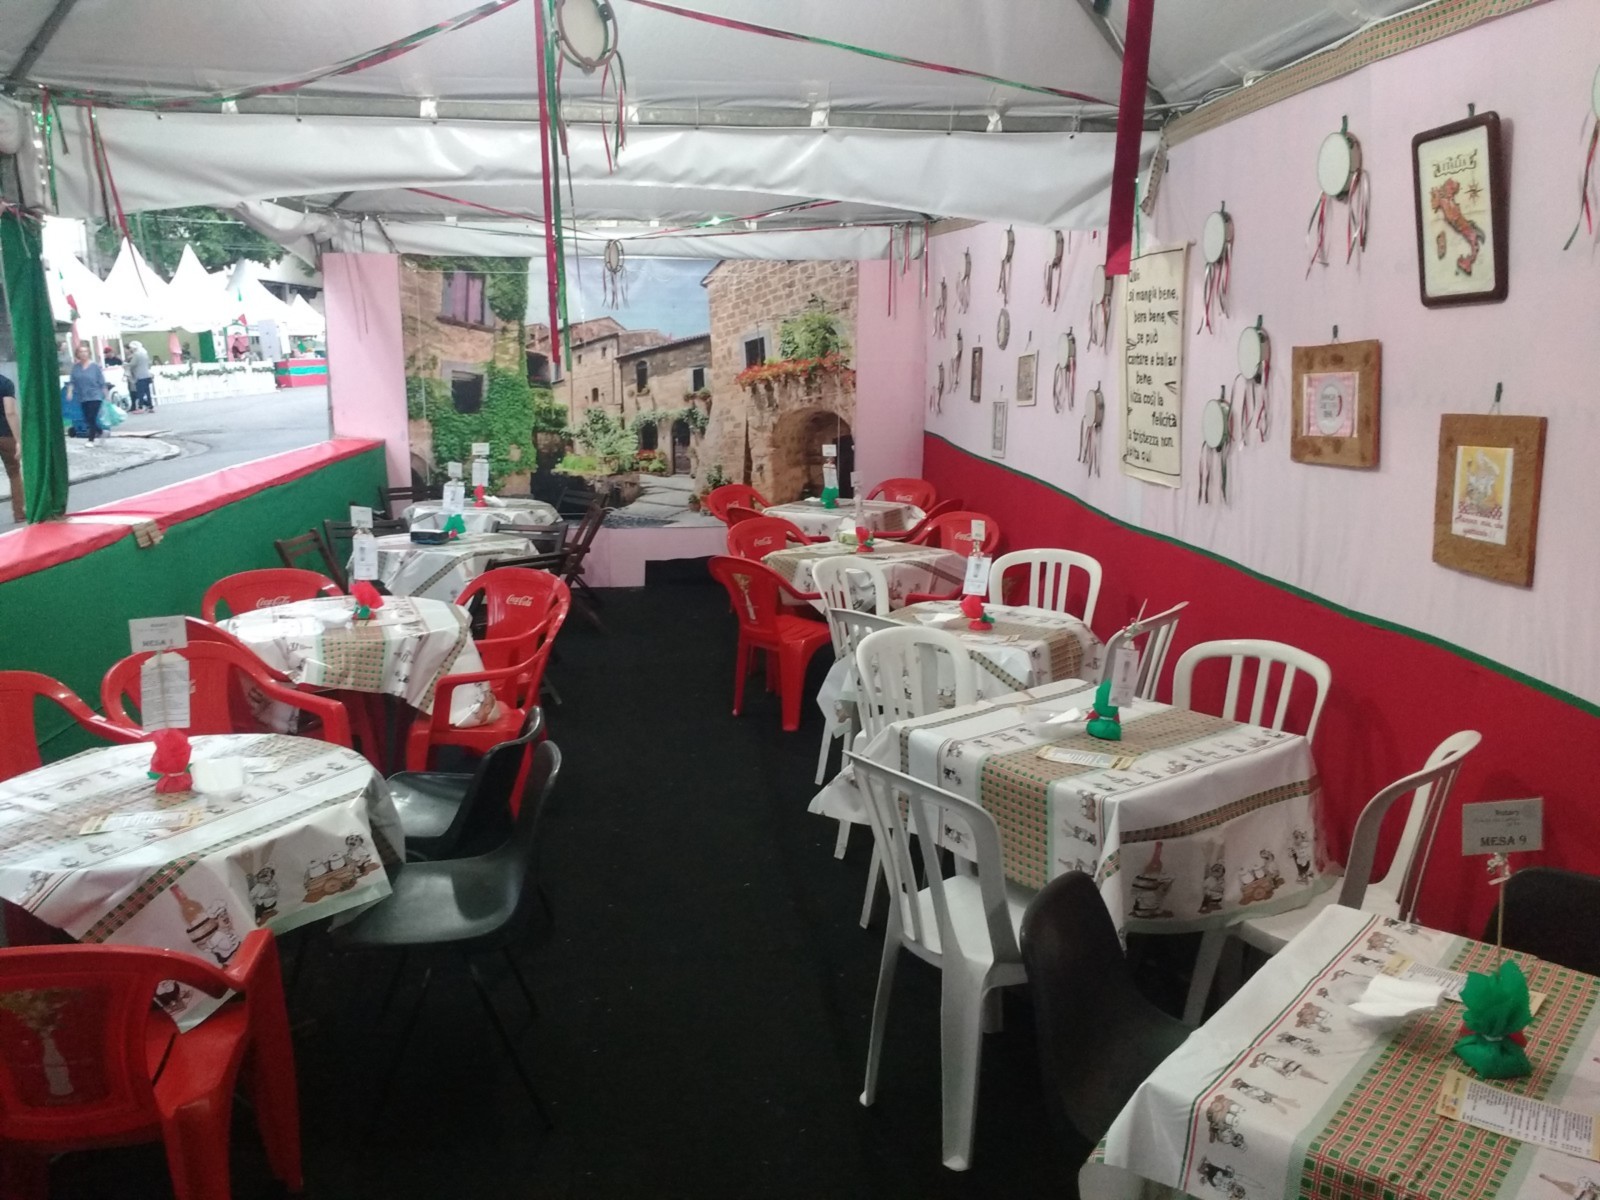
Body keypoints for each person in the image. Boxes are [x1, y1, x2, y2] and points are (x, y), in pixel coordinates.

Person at [66, 342, 108, 445]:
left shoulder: (95, 367)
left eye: (85, 351)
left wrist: (106, 395)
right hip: (83, 396)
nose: (83, 353)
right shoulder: (76, 368)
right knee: (86, 418)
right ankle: (101, 432)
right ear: (77, 354)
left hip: (95, 395)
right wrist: (69, 392)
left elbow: (102, 382)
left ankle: (91, 439)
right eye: (81, 352)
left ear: (89, 353)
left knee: (91, 416)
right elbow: (72, 381)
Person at [0, 371, 23, 523]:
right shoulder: (5, 383)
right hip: (5, 434)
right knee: (14, 473)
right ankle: (19, 513)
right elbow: (10, 412)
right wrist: (18, 440)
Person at [127, 340, 154, 412]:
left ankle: (140, 407)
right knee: (147, 392)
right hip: (147, 375)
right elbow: (149, 364)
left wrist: (126, 364)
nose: (130, 349)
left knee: (140, 393)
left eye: (131, 348)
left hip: (139, 375)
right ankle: (150, 406)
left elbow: (133, 364)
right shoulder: (145, 353)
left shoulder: (137, 354)